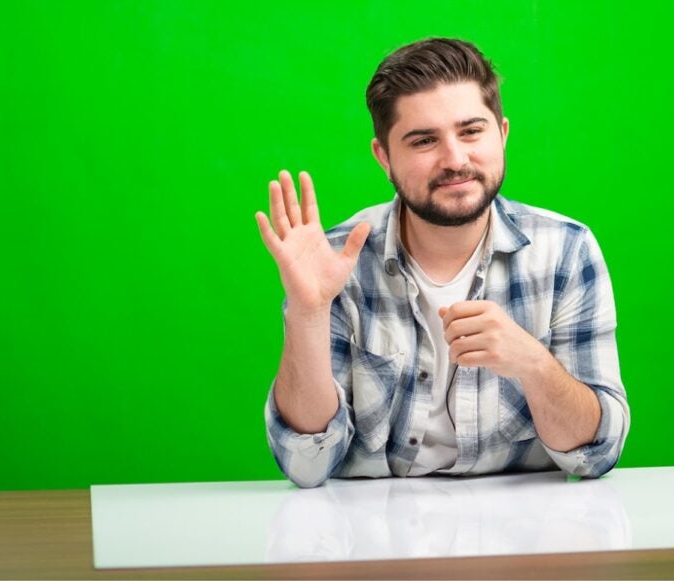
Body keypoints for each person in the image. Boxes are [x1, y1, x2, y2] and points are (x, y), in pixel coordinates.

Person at [254, 38, 628, 488]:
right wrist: (308, 314)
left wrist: (534, 363)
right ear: (384, 158)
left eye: (471, 131)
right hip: (368, 540)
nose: (455, 159)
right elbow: (306, 466)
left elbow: (596, 454)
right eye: (424, 140)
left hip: (525, 538)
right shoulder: (335, 261)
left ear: (502, 134)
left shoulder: (566, 250)